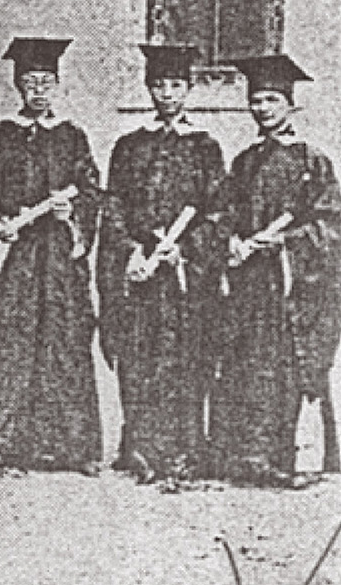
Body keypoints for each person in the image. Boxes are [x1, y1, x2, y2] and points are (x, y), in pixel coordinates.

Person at [96, 45, 225, 483]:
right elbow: (113, 206)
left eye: (175, 85)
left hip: (184, 277)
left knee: (186, 358)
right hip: (140, 273)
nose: (167, 94)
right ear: (148, 89)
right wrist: (129, 249)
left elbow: (217, 212)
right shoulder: (129, 146)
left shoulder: (205, 148)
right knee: (138, 356)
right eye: (159, 85)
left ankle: (185, 450)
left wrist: (184, 251)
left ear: (188, 90)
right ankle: (140, 448)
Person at [210, 54, 340, 487]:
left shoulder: (311, 161)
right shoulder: (244, 161)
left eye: (271, 100)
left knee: (284, 367)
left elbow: (329, 225)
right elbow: (225, 212)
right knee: (245, 363)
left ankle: (287, 460)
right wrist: (231, 239)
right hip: (248, 283)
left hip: (289, 287)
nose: (262, 108)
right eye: (257, 100)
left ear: (290, 106)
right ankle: (244, 458)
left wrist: (285, 241)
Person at [0, 38, 102, 475]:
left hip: (59, 257)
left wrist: (72, 214)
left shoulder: (71, 137)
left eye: (46, 82)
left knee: (64, 341)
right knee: (13, 342)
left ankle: (72, 448)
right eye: (30, 82)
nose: (39, 91)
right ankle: (3, 445)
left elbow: (90, 192)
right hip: (16, 257)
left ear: (58, 85)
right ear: (18, 86)